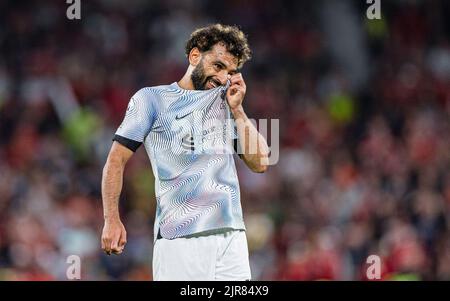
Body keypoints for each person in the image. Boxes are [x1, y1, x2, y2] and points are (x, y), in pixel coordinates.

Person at [101, 24, 270, 281]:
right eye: (218, 66)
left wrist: (238, 111)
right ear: (194, 56)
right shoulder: (152, 99)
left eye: (231, 72)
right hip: (180, 237)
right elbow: (115, 159)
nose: (224, 78)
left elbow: (260, 163)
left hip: (232, 236)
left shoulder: (226, 105)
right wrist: (111, 219)